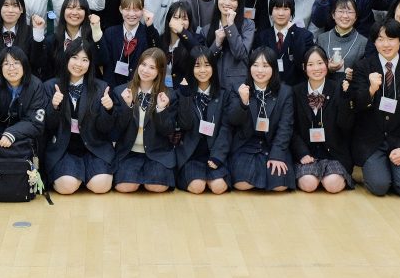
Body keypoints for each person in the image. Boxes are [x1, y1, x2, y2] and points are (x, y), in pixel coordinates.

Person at [348, 20, 400, 197]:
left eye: (391, 39)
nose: (386, 44)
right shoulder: (363, 67)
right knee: (379, 186)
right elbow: (356, 106)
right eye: (380, 39)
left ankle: (395, 169)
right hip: (372, 142)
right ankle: (380, 170)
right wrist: (371, 90)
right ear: (374, 42)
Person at [42, 39, 117, 195]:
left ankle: (83, 175)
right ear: (66, 59)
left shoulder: (100, 87)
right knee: (66, 187)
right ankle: (76, 176)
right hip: (64, 149)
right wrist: (54, 107)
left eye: (85, 60)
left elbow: (105, 128)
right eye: (74, 57)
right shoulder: (50, 86)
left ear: (90, 63)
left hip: (94, 147)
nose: (79, 64)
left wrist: (109, 109)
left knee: (101, 186)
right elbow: (48, 126)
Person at [224, 47, 295, 192]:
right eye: (255, 65)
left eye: (265, 66)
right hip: (246, 145)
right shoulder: (239, 88)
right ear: (249, 67)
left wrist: (277, 155)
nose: (260, 70)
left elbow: (285, 127)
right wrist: (243, 103)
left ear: (273, 68)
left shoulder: (285, 92)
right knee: (242, 184)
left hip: (273, 144)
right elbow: (232, 120)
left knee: (280, 186)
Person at [111, 48, 177, 193]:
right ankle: (137, 177)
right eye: (143, 64)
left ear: (160, 71)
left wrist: (161, 109)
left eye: (152, 67)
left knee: (156, 187)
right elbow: (116, 130)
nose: (146, 70)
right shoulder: (121, 91)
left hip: (157, 153)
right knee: (125, 187)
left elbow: (168, 131)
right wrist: (127, 106)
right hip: (128, 152)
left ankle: (145, 177)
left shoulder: (169, 95)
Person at [291, 46, 354, 193]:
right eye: (311, 64)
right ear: (304, 67)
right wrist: (302, 152)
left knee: (333, 185)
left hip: (333, 153)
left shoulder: (338, 88)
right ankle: (316, 176)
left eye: (320, 63)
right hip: (308, 153)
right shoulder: (296, 91)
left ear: (327, 64)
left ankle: (325, 177)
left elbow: (346, 125)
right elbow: (291, 128)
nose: (316, 68)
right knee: (308, 184)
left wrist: (345, 98)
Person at [173, 46, 231, 194]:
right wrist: (185, 97)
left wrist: (218, 156)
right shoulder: (182, 93)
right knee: (197, 187)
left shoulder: (224, 95)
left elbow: (226, 129)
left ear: (213, 67)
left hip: (214, 153)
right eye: (197, 65)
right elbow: (185, 125)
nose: (203, 70)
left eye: (207, 65)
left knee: (219, 187)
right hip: (191, 155)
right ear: (190, 68)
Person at [0, 46, 46, 150]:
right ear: (0, 67)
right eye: (6, 64)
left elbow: (36, 123)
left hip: (25, 139)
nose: (11, 68)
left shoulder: (36, 85)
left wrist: (11, 133)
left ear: (24, 65)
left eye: (16, 63)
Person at [199, 0, 255, 90]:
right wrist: (217, 44)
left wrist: (230, 26)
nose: (227, 3)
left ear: (239, 3)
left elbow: (240, 53)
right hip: (213, 84)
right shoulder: (206, 30)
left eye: (233, 0)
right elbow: (204, 62)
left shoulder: (248, 25)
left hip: (238, 85)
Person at [255, 0, 314, 87]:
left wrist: (294, 33)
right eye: (276, 8)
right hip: (270, 88)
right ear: (271, 11)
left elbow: (304, 64)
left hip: (296, 89)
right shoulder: (262, 37)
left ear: (291, 11)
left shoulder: (305, 36)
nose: (281, 13)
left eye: (285, 9)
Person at [98, 0, 158, 87]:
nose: (131, 14)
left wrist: (150, 26)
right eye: (127, 9)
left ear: (143, 10)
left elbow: (156, 53)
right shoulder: (110, 33)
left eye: (136, 10)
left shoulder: (148, 33)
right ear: (120, 9)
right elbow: (106, 63)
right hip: (113, 88)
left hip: (139, 87)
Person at [314, 0, 366, 82]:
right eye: (341, 11)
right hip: (324, 87)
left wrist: (355, 74)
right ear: (333, 15)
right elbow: (312, 66)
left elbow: (367, 72)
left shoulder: (363, 42)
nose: (345, 16)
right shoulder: (322, 39)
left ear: (356, 17)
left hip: (352, 88)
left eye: (349, 12)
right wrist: (327, 67)